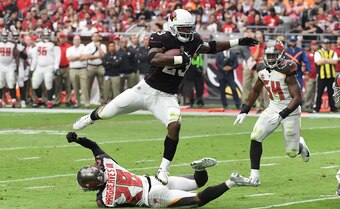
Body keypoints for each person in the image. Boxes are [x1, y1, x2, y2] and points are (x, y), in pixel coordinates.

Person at [72, 9, 258, 185]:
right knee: (107, 112)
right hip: (144, 90)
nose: (187, 32)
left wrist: (238, 41)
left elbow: (211, 47)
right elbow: (153, 59)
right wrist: (178, 59)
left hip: (166, 96)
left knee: (175, 125)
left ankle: (163, 168)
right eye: (183, 29)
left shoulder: (193, 40)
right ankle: (89, 118)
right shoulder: (161, 37)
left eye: (189, 28)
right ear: (172, 26)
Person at [66, 132, 249, 208]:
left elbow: (101, 199)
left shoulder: (104, 199)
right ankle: (199, 168)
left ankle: (231, 181)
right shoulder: (108, 164)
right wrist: (77, 139)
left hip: (153, 196)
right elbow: (94, 146)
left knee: (197, 200)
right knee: (199, 182)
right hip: (154, 179)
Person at [233, 39, 310, 186]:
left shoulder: (288, 68)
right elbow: (255, 89)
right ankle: (254, 177)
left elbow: (297, 98)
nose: (271, 59)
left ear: (281, 55)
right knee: (255, 136)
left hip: (290, 110)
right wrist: (245, 110)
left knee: (292, 153)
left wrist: (283, 114)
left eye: (274, 55)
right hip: (273, 106)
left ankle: (301, 146)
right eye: (269, 56)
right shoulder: (261, 67)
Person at [30, 28, 61, 108]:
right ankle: (40, 99)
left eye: (47, 35)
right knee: (35, 84)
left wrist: (56, 67)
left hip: (49, 67)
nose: (46, 37)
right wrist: (32, 67)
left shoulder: (53, 44)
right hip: (39, 67)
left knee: (48, 84)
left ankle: (49, 101)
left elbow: (57, 56)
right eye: (45, 35)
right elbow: (35, 57)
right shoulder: (38, 44)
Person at [314, 39, 338, 113]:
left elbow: (335, 61)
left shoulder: (332, 52)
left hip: (331, 76)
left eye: (327, 43)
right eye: (324, 43)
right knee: (319, 92)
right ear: (322, 44)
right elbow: (318, 62)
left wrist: (324, 60)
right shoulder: (318, 52)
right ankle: (317, 108)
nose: (326, 45)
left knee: (331, 93)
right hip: (321, 76)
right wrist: (329, 60)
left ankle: (333, 108)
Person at [66, 35, 89, 108]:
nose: (77, 41)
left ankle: (86, 104)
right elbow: (69, 58)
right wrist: (79, 56)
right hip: (73, 69)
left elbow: (85, 57)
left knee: (84, 87)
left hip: (82, 69)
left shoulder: (84, 47)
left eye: (78, 39)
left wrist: (74, 57)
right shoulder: (70, 49)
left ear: (80, 40)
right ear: (73, 41)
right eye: (75, 39)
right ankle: (77, 103)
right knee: (75, 87)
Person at [85, 32, 106, 104]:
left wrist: (98, 47)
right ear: (92, 38)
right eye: (94, 36)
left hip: (100, 66)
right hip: (91, 66)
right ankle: (87, 102)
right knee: (88, 85)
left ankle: (103, 101)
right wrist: (98, 56)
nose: (96, 37)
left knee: (102, 85)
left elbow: (103, 55)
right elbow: (87, 57)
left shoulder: (103, 46)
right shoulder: (88, 46)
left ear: (99, 37)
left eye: (97, 36)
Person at [54, 33, 72, 107]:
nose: (62, 39)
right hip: (58, 67)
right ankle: (57, 100)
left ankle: (68, 100)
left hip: (67, 67)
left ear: (66, 38)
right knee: (58, 85)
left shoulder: (69, 47)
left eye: (63, 38)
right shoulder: (56, 47)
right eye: (61, 38)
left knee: (67, 85)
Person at [302, 40, 319, 112]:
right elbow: (304, 64)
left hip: (317, 75)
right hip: (310, 75)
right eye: (314, 45)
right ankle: (306, 106)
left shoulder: (319, 53)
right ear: (311, 46)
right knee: (308, 91)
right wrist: (305, 73)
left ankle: (311, 106)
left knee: (314, 92)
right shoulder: (308, 54)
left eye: (316, 45)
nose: (315, 46)